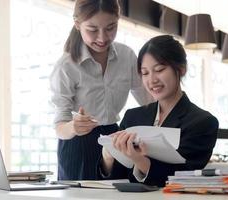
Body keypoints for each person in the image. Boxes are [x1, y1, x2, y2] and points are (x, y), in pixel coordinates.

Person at [50, 0, 152, 180]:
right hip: (78, 144)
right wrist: (73, 126)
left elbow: (150, 102)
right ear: (77, 24)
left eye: (111, 27)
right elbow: (59, 127)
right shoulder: (66, 66)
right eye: (92, 30)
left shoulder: (126, 56)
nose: (102, 38)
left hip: (115, 140)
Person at [99, 35, 219, 187]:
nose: (152, 80)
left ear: (181, 69)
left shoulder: (203, 122)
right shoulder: (133, 116)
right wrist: (108, 157)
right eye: (145, 73)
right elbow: (117, 178)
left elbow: (186, 176)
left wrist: (140, 161)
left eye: (159, 70)